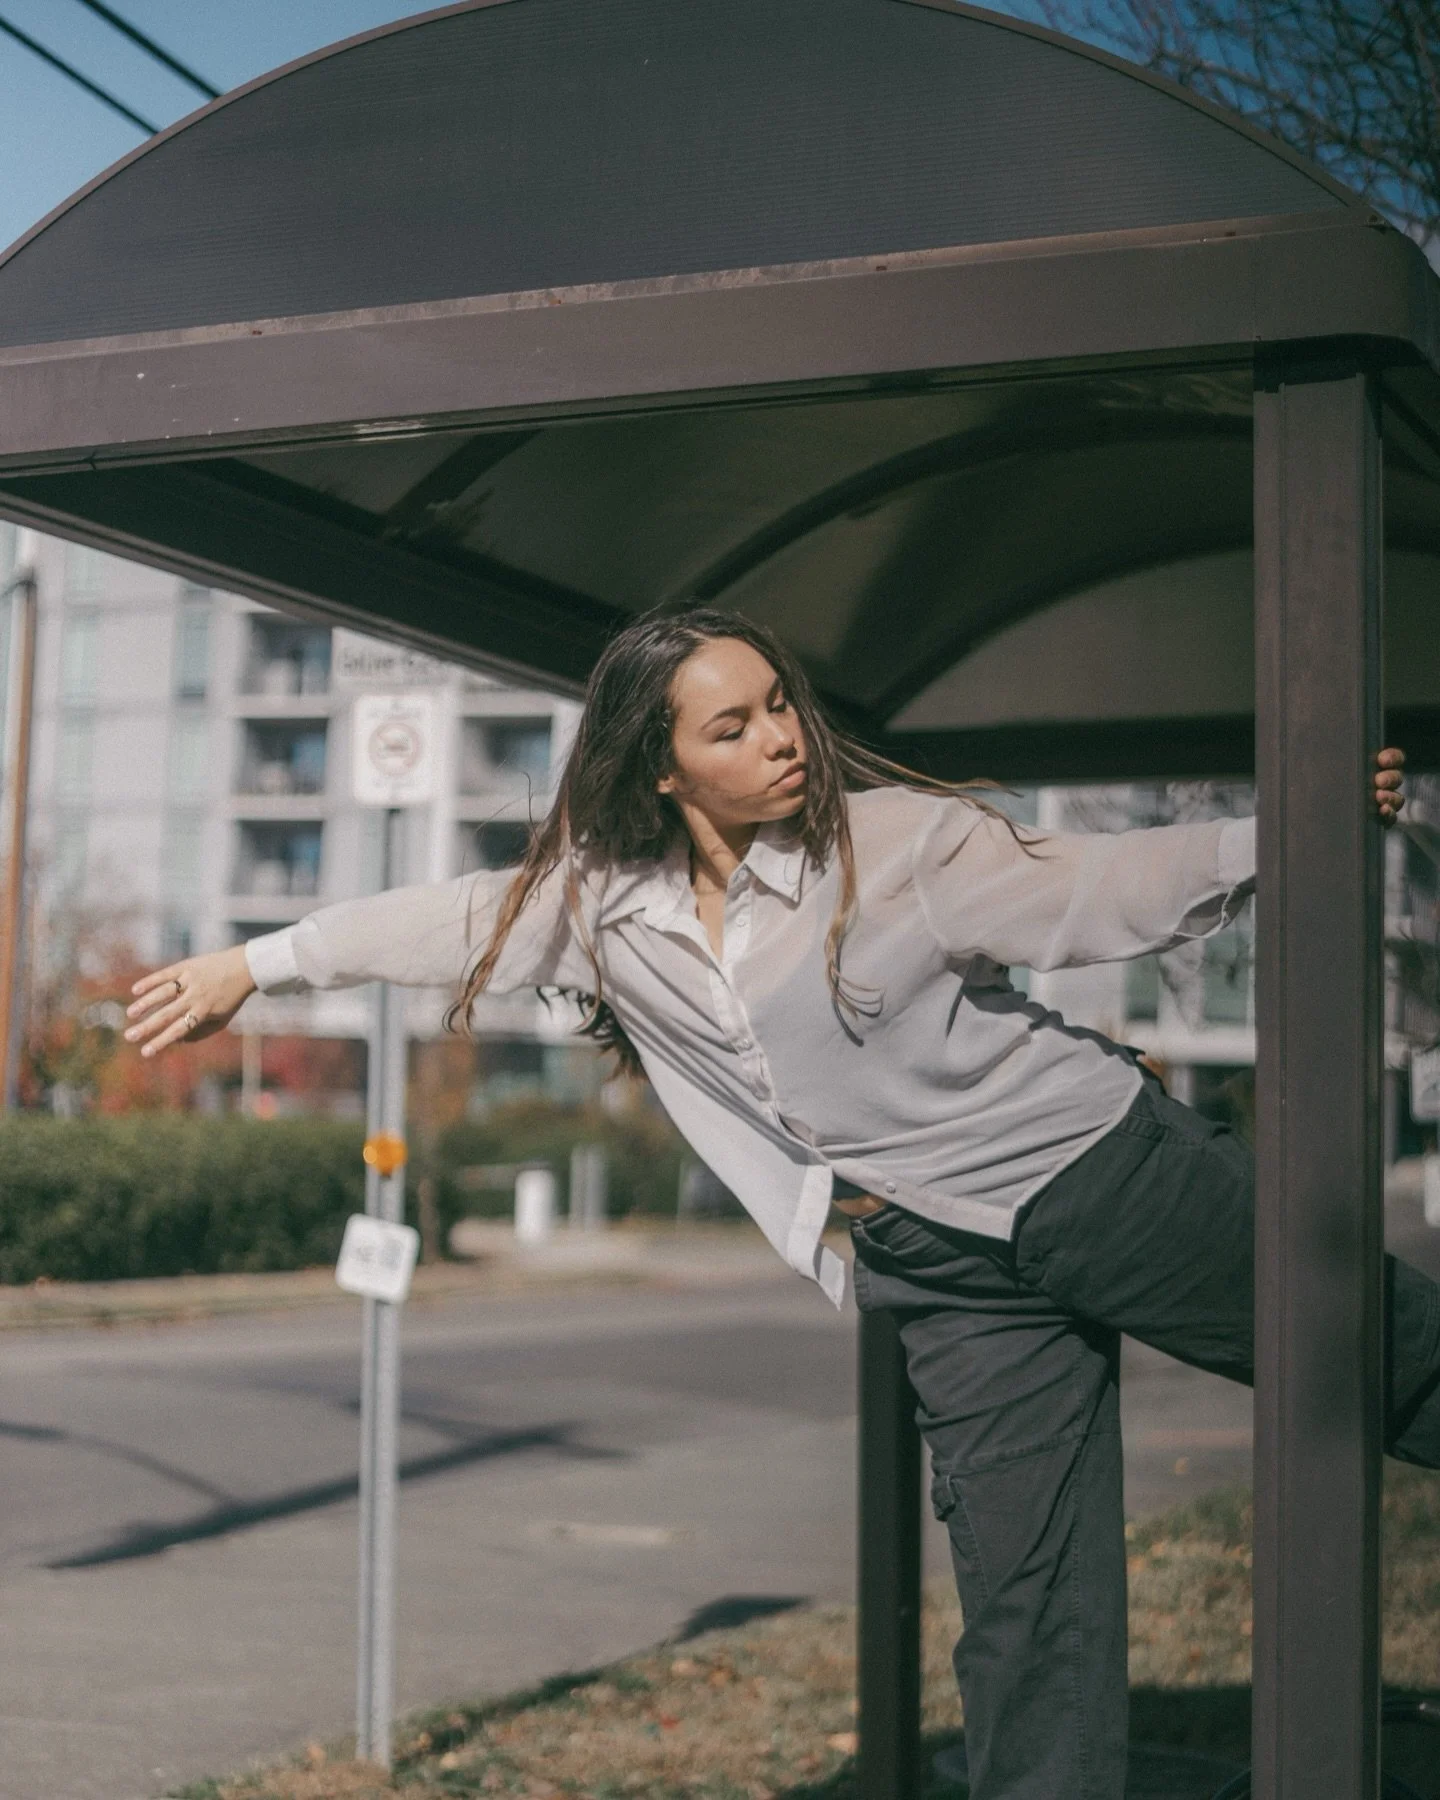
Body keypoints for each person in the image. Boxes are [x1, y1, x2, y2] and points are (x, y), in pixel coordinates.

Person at [127, 608, 1434, 1800]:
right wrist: (254, 967)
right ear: (662, 766)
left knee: (1386, 1363)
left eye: (780, 705)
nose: (782, 739)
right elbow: (455, 920)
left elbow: (1092, 887)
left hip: (1099, 1175)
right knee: (1026, 1605)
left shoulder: (900, 847)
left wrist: (1288, 830)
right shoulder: (604, 910)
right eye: (732, 725)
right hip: (941, 1263)